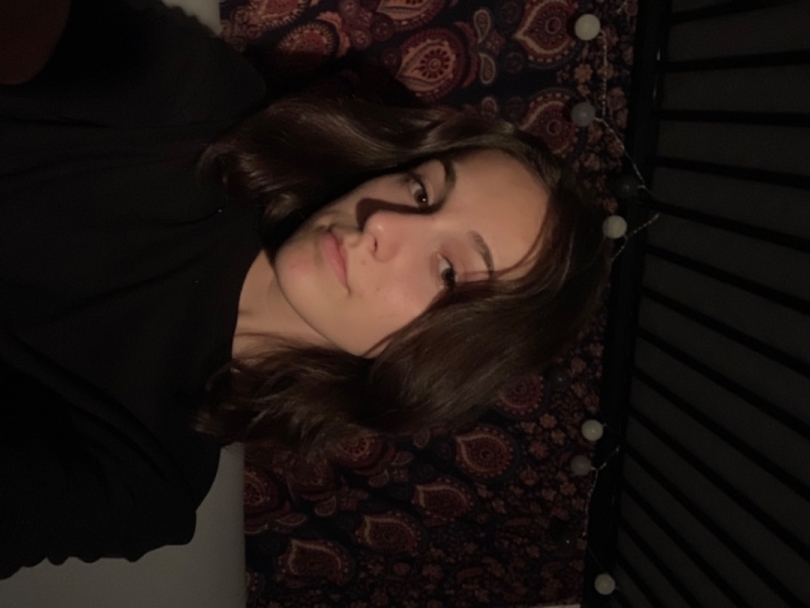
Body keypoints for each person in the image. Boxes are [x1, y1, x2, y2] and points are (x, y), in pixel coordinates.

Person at [0, 0, 610, 579]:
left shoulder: (145, 477)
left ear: (444, 361)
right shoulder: (193, 108)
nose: (383, 223)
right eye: (421, 191)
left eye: (448, 271)